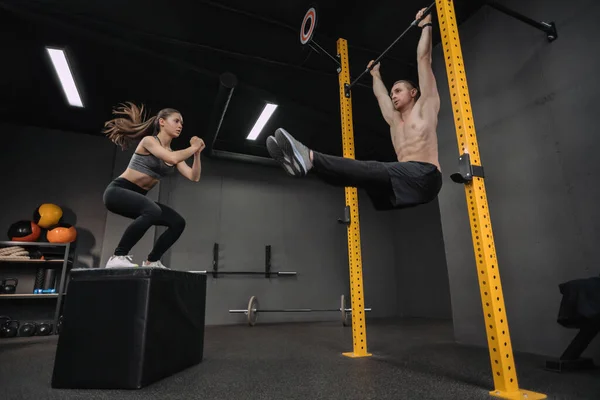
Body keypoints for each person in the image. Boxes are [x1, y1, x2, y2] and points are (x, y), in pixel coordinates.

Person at [266, 8, 442, 211]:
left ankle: (310, 156)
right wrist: (375, 75)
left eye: (398, 90)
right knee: (360, 177)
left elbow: (423, 61)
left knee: (373, 168)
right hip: (404, 182)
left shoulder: (425, 106)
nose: (393, 95)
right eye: (392, 91)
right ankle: (308, 167)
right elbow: (381, 96)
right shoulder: (395, 120)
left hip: (426, 176)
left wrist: (427, 25)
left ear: (413, 93)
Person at [101, 102, 205, 268]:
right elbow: (171, 159)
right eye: (176, 121)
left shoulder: (173, 153)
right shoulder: (149, 141)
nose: (180, 126)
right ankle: (117, 257)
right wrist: (193, 146)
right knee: (152, 210)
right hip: (118, 191)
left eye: (182, 123)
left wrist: (197, 153)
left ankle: (152, 261)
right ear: (162, 122)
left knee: (177, 222)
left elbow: (194, 176)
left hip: (136, 197)